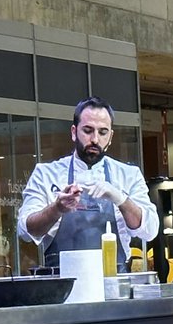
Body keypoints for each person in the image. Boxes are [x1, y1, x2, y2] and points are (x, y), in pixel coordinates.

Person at [18, 97, 158, 269]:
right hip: (61, 287)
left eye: (103, 132)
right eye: (88, 130)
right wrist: (57, 208)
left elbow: (150, 230)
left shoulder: (129, 175)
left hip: (114, 286)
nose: (95, 139)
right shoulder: (46, 174)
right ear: (73, 131)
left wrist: (120, 198)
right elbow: (26, 231)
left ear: (111, 136)